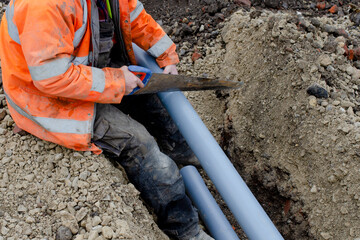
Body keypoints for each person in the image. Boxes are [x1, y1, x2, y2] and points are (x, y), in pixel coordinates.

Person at [0, 0, 213, 239]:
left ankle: (195, 163)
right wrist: (116, 82)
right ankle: (184, 229)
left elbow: (132, 15)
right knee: (140, 144)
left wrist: (167, 54)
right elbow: (52, 78)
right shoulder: (43, 5)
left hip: (86, 71)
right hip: (50, 100)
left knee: (152, 104)